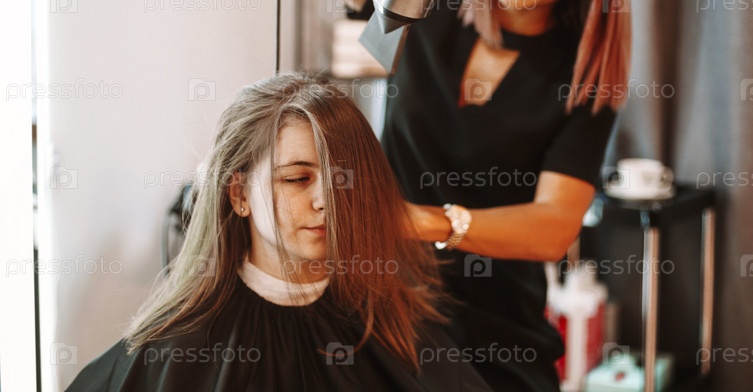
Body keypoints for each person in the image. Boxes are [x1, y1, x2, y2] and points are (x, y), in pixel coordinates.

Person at [279, 0, 631, 389]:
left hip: (494, 323)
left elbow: (553, 227)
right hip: (380, 298)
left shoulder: (582, 75)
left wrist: (418, 222)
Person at [67, 73, 491, 391]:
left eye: (342, 179)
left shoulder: (393, 326)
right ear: (239, 195)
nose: (327, 201)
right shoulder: (177, 349)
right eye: (296, 179)